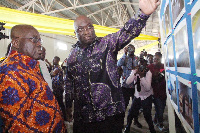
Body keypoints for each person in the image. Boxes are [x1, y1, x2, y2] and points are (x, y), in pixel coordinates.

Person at [65, 1, 160, 132]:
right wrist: (68, 105)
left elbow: (126, 32)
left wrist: (142, 14)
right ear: (75, 33)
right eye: (81, 29)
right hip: (83, 117)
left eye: (89, 27)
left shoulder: (106, 44)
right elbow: (69, 82)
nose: (87, 31)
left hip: (110, 115)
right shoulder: (72, 56)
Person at [0, 24, 65, 132]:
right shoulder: (11, 72)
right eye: (34, 40)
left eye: (40, 40)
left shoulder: (28, 67)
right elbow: (16, 124)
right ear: (16, 42)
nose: (39, 44)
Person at [124, 58, 155, 133]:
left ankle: (152, 130)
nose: (141, 67)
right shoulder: (135, 71)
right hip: (137, 96)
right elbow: (127, 82)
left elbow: (147, 88)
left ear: (146, 65)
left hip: (146, 97)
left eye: (143, 65)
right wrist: (134, 73)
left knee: (147, 116)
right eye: (139, 65)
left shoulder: (148, 73)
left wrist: (141, 77)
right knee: (130, 114)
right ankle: (127, 128)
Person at [148, 52, 166, 131]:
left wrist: (161, 74)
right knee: (159, 108)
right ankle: (160, 124)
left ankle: (155, 120)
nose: (156, 60)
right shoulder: (150, 67)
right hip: (155, 92)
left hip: (163, 91)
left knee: (161, 107)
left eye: (158, 59)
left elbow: (163, 75)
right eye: (155, 59)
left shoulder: (163, 66)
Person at [117, 44, 138, 109]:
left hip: (135, 85)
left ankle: (135, 117)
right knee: (125, 103)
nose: (131, 50)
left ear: (134, 49)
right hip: (125, 85)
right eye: (129, 48)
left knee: (135, 104)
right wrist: (124, 53)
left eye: (132, 48)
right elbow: (118, 64)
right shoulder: (124, 58)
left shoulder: (137, 58)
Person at [51, 56, 66, 121]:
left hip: (58, 88)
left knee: (60, 102)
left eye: (54, 60)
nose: (53, 61)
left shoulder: (57, 68)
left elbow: (52, 74)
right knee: (59, 102)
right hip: (56, 87)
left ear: (57, 60)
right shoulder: (55, 67)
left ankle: (64, 116)